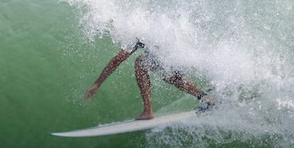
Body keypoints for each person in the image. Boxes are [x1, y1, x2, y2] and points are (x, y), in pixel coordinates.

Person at [83, 40, 214, 120]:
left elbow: (118, 59)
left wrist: (97, 83)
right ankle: (208, 99)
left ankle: (148, 111)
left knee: (140, 62)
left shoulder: (135, 32)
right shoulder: (150, 21)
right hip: (186, 52)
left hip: (176, 54)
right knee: (170, 77)